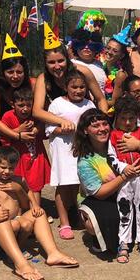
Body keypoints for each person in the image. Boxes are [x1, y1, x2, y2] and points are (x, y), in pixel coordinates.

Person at [0, 146, 77, 280]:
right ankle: (21, 265)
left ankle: (53, 253)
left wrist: (20, 191)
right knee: (0, 219)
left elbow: (25, 204)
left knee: (38, 213)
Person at [74, 109, 140, 254]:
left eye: (104, 124)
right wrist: (124, 176)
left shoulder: (123, 141)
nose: (102, 129)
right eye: (95, 126)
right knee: (101, 220)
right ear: (85, 130)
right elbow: (99, 193)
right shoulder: (85, 161)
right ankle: (109, 238)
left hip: (131, 188)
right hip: (102, 198)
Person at [108, 96, 140, 263]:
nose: (127, 122)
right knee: (124, 208)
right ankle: (124, 242)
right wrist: (123, 168)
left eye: (131, 118)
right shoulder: (113, 135)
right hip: (124, 179)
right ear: (117, 118)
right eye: (123, 118)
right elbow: (111, 156)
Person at [46, 70, 95, 239]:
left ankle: (80, 217)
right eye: (74, 87)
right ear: (66, 87)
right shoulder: (57, 104)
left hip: (83, 149)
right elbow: (49, 128)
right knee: (63, 184)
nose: (78, 90)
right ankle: (64, 222)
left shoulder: (89, 104)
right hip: (63, 150)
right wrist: (62, 129)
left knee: (79, 184)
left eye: (82, 87)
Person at [0, 86, 50, 198]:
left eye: (28, 105)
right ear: (13, 104)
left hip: (35, 157)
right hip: (18, 159)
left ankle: (36, 207)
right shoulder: (8, 117)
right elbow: (3, 138)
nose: (25, 109)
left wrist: (37, 129)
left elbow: (46, 131)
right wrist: (18, 130)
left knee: (36, 186)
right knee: (18, 186)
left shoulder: (35, 115)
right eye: (21, 105)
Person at [0, 146, 43, 228]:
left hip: (17, 217)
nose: (7, 171)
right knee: (16, 226)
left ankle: (22, 237)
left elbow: (29, 191)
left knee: (27, 225)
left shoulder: (19, 179)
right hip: (1, 220)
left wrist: (35, 205)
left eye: (11, 168)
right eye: (3, 167)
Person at [0, 38, 32, 147]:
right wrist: (17, 134)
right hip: (0, 136)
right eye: (10, 72)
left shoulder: (32, 84)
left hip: (26, 137)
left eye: (19, 72)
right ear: (3, 73)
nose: (15, 76)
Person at [70, 28, 107, 95]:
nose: (86, 47)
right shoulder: (71, 64)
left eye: (92, 45)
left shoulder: (100, 64)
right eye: (82, 44)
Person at [100, 26, 132, 103]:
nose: (109, 52)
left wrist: (98, 101)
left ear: (122, 55)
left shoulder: (120, 75)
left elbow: (114, 102)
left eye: (115, 51)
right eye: (108, 48)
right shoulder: (101, 66)